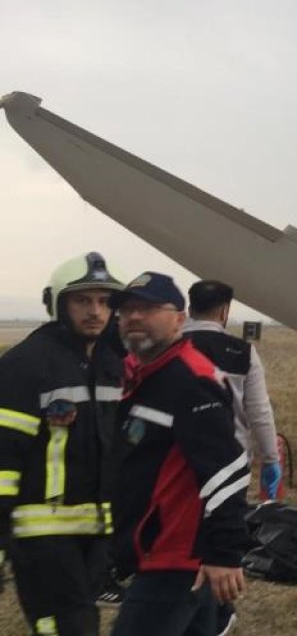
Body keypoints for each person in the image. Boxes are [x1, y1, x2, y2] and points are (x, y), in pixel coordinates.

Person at [107, 272, 252, 636]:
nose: (135, 317)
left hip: (173, 554)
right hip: (167, 553)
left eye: (150, 308)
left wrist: (223, 553)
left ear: (179, 319)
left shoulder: (189, 379)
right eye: (127, 310)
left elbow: (227, 467)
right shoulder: (147, 376)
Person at [0, 252, 126, 636]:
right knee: (71, 627)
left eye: (105, 302)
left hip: (96, 535)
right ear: (57, 303)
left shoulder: (113, 365)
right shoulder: (27, 364)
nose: (95, 311)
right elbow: (3, 458)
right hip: (42, 537)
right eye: (82, 300)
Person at [182, 280, 282, 500]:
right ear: (225, 311)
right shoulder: (243, 353)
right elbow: (259, 412)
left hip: (177, 461)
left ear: (190, 309)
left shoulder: (169, 348)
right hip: (230, 462)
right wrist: (270, 459)